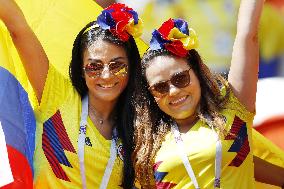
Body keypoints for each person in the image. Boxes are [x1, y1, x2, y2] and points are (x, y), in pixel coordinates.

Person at [132, 0, 284, 188]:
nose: (173, 91)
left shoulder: (234, 108)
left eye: (181, 79)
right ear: (150, 95)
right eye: (160, 87)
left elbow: (248, 35)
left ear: (197, 73)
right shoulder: (146, 141)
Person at [0, 1, 143, 188]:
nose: (106, 75)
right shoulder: (58, 94)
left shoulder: (141, 131)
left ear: (131, 68)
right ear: (81, 69)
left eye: (117, 65)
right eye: (94, 66)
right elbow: (17, 25)